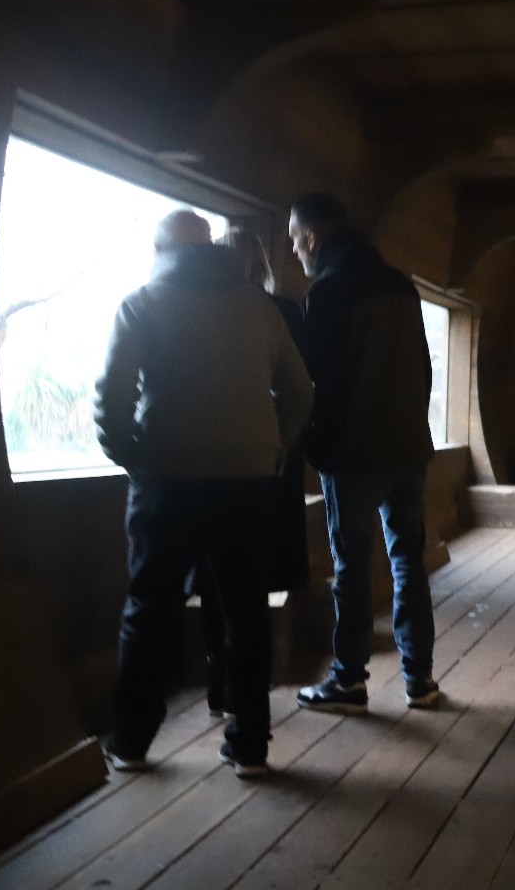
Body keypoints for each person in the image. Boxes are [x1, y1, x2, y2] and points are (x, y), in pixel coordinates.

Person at [95, 210, 313, 778]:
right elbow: (299, 390)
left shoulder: (142, 303)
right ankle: (250, 746)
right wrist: (273, 448)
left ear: (160, 248)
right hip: (248, 481)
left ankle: (131, 741)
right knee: (246, 611)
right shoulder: (258, 307)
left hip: (166, 479)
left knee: (149, 607)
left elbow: (112, 397)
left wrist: (134, 456)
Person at [287, 192, 440, 713]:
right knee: (408, 563)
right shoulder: (401, 285)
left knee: (352, 568)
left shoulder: (327, 292)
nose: (295, 252)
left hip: (352, 453)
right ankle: (420, 679)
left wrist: (313, 445)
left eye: (294, 240)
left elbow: (318, 382)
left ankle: (349, 680)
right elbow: (424, 368)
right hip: (409, 448)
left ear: (312, 237)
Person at [192, 227, 311, 719]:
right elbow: (301, 386)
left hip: (208, 464)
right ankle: (249, 691)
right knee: (252, 578)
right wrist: (282, 439)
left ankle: (218, 683)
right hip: (269, 459)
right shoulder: (282, 311)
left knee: (212, 576)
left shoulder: (200, 311)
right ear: (262, 265)